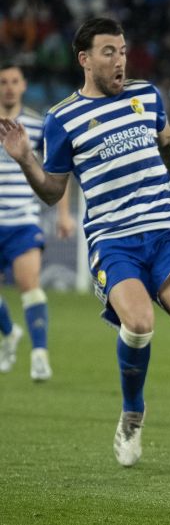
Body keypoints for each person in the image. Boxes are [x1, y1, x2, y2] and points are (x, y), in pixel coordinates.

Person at [0, 17, 170, 473]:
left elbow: (168, 144)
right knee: (138, 324)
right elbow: (53, 190)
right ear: (85, 59)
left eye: (122, 51)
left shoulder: (147, 95)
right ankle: (132, 413)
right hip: (114, 239)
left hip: (166, 229)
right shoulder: (62, 119)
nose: (120, 60)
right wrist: (25, 159)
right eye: (108, 52)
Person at [0, 63, 75, 379]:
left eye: (14, 81)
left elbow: (58, 170)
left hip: (23, 219)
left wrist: (63, 213)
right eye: (3, 81)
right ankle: (9, 333)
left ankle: (40, 356)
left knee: (29, 285)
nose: (8, 87)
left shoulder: (36, 124)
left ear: (24, 85)